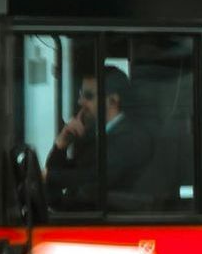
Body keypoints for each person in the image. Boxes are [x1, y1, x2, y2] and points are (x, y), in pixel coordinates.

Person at [46, 64, 153, 208]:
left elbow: (94, 179)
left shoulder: (132, 138)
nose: (81, 102)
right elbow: (70, 172)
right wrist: (61, 145)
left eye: (88, 96)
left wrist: (49, 176)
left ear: (112, 101)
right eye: (80, 95)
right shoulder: (96, 136)